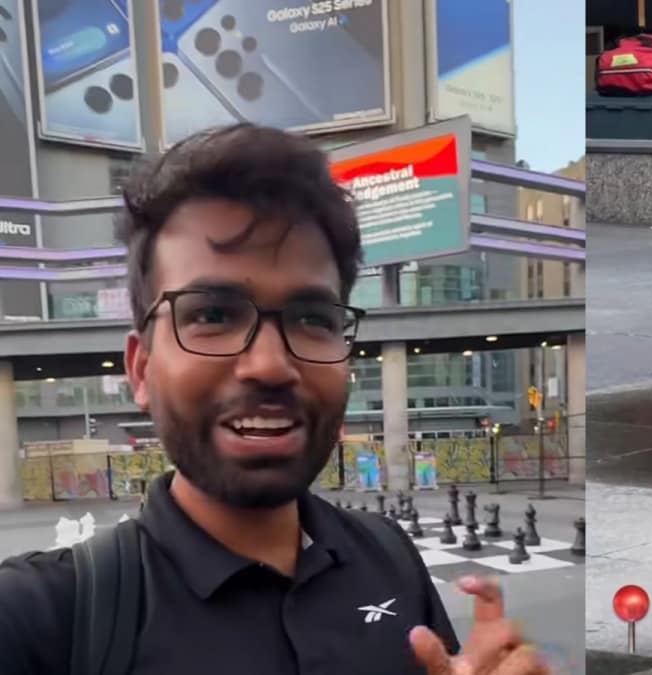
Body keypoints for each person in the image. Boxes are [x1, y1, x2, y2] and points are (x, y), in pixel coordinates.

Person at [0, 124, 550, 675]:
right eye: (212, 315)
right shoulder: (38, 617)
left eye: (313, 319)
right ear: (141, 368)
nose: (269, 365)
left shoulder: (389, 555)